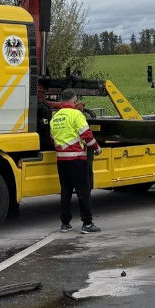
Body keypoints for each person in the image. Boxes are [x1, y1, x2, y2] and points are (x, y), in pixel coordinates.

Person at [49, 88, 102, 233]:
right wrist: (97, 148)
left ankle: (65, 224)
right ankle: (87, 224)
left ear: (62, 100)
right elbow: (87, 135)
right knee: (83, 192)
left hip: (61, 160)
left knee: (65, 191)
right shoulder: (76, 114)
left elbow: (52, 138)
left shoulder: (55, 117)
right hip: (77, 159)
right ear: (74, 100)